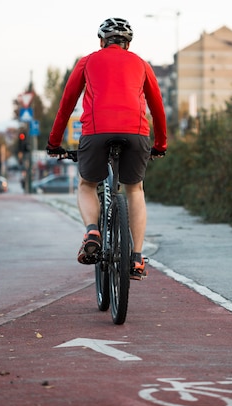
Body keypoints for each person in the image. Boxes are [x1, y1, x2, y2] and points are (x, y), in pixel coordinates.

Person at [46, 17, 167, 280]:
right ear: (129, 44)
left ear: (102, 42)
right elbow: (157, 107)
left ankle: (92, 231)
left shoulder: (87, 61)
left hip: (96, 132)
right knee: (135, 189)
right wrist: (160, 144)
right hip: (136, 133)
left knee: (87, 184)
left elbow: (66, 104)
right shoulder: (142, 64)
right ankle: (136, 259)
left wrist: (54, 142)